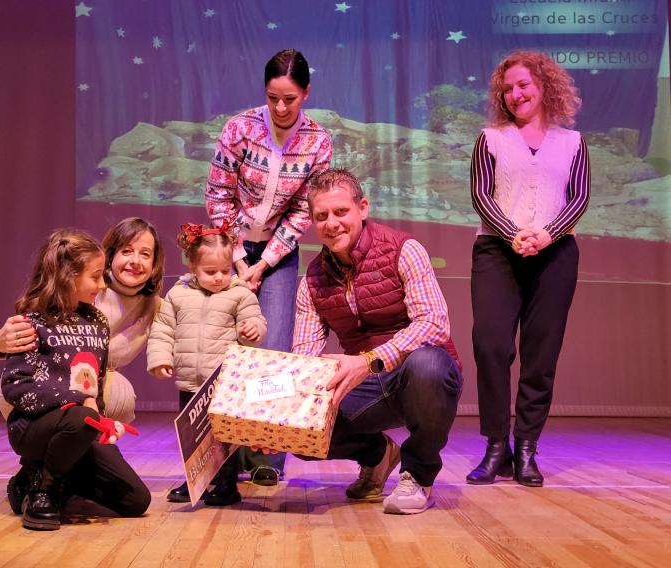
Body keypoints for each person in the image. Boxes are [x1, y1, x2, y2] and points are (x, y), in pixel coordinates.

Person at [291, 168, 463, 515]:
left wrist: (369, 360)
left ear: (363, 208)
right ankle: (378, 455)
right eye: (321, 216)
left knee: (428, 363)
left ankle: (418, 476)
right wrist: (275, 420)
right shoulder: (311, 281)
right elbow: (304, 359)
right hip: (366, 386)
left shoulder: (403, 249)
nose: (332, 224)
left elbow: (434, 323)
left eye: (341, 212)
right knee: (301, 429)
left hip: (417, 376)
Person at [205, 48, 333, 485]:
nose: (280, 107)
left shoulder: (317, 141)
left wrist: (264, 263)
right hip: (228, 250)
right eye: (273, 98)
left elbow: (302, 211)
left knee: (274, 350)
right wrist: (240, 258)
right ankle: (220, 459)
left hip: (278, 253)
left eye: (290, 99)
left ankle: (267, 457)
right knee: (225, 346)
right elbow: (218, 196)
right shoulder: (239, 128)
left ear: (306, 93)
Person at [466, 50, 590, 487]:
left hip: (555, 256)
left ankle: (525, 449)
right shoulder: (491, 138)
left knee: (541, 355)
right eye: (507, 89)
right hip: (497, 251)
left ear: (543, 86)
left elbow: (579, 196)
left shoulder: (572, 142)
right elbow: (481, 194)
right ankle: (495, 446)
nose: (515, 94)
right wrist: (514, 233)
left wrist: (548, 234)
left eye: (523, 85)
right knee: (491, 345)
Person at [0, 217, 164, 512]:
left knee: (136, 501)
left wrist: (100, 418)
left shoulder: (101, 319)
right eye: (126, 251)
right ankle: (45, 485)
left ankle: (59, 471)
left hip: (82, 409)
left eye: (145, 254)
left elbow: (95, 378)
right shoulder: (44, 312)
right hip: (39, 414)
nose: (135, 261)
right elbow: (16, 382)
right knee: (83, 416)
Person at [148, 222, 267, 505]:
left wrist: (252, 330)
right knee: (192, 436)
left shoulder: (240, 293)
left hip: (223, 383)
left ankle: (227, 485)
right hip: (190, 381)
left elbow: (255, 322)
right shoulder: (178, 294)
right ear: (193, 267)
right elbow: (163, 329)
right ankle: (196, 482)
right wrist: (160, 358)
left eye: (224, 271)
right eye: (210, 272)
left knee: (224, 435)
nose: (218, 278)